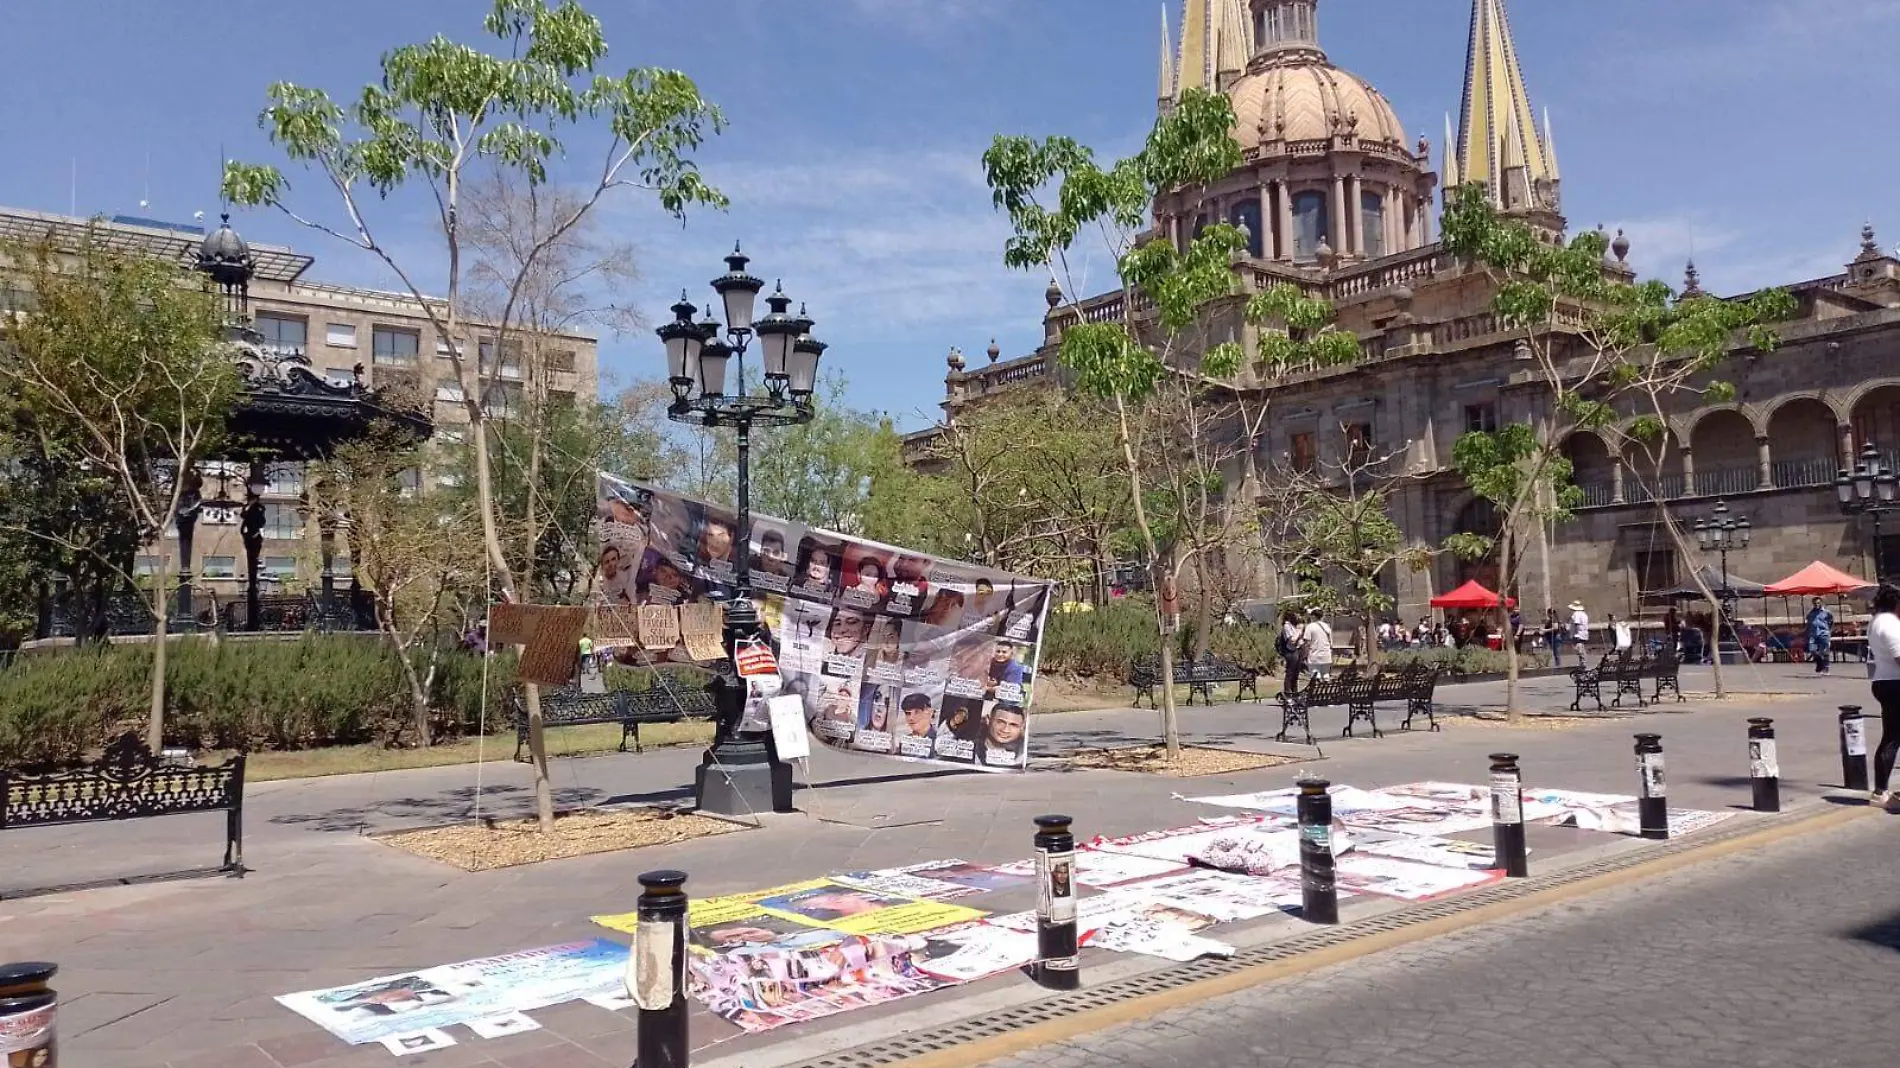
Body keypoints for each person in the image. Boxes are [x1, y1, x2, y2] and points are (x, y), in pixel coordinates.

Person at [1865, 585, 1900, 807]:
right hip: (1895, 684)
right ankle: (1880, 792)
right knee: (1893, 737)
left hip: (1883, 681)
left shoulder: (1876, 621)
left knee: (1892, 736)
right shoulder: (1890, 624)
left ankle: (1880, 791)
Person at [1278, 609, 1306, 694]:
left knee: (1296, 673)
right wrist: (1299, 631)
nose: (1297, 617)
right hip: (1291, 651)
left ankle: (1294, 691)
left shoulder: (1293, 626)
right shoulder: (1287, 626)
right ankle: (1288, 691)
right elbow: (1292, 640)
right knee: (1290, 672)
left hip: (1298, 649)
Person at [1301, 609, 1333, 681]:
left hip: (1314, 655)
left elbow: (1307, 642)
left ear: (1313, 616)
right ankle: (1326, 690)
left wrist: (1304, 655)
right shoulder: (1327, 626)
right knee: (1326, 675)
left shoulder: (1310, 626)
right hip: (1326, 654)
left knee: (1315, 674)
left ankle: (1315, 689)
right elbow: (1331, 642)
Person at [1806, 596, 1834, 675]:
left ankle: (1826, 668)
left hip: (1823, 633)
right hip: (1813, 634)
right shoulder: (1810, 613)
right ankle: (1819, 662)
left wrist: (1829, 631)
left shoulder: (1827, 613)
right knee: (1812, 649)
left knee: (1825, 651)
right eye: (1815, 603)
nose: (1816, 604)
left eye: (1818, 603)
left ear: (1821, 603)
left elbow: (1831, 622)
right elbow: (1808, 623)